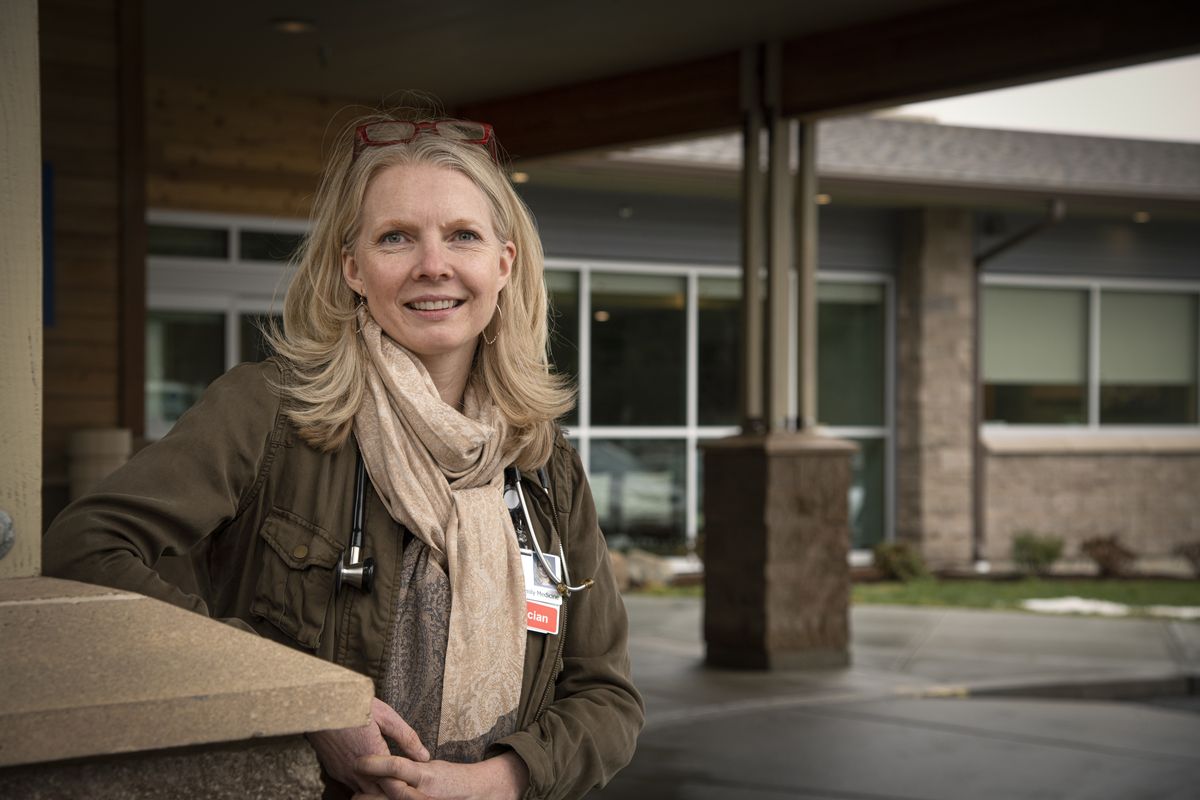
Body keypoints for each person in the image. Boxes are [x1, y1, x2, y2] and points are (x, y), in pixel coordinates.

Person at [43, 113, 643, 800]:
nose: (433, 265)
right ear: (353, 268)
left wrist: (497, 781)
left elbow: (607, 698)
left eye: (462, 236)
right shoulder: (266, 413)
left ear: (502, 264)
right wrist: (306, 700)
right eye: (396, 238)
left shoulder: (544, 465)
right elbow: (85, 548)